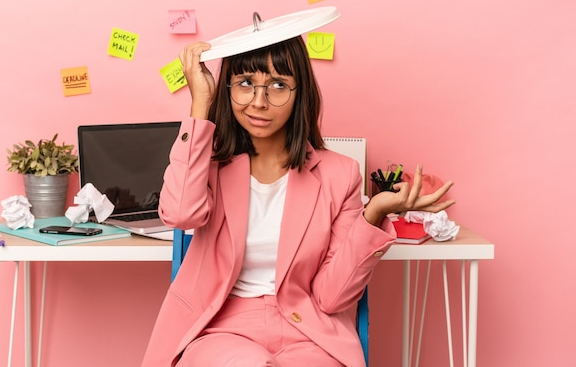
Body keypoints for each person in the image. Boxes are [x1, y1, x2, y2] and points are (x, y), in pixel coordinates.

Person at [142, 35, 454, 367]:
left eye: (278, 85)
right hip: (221, 328)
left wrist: (373, 213)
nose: (259, 102)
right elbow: (179, 214)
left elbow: (332, 297)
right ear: (228, 88)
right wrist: (200, 107)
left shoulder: (340, 174)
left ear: (299, 93)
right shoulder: (208, 161)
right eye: (245, 83)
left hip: (309, 333)